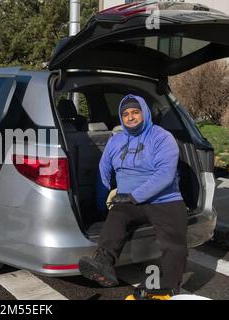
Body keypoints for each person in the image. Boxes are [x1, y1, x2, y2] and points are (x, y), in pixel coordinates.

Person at [78, 94, 188, 300]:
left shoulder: (162, 137)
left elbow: (165, 174)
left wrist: (133, 196)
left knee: (174, 243)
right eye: (125, 114)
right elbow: (104, 170)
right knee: (116, 216)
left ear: (144, 113)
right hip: (128, 201)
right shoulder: (116, 141)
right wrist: (100, 204)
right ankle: (103, 263)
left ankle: (170, 287)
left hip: (165, 199)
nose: (130, 117)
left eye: (135, 112)